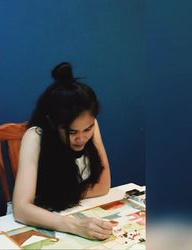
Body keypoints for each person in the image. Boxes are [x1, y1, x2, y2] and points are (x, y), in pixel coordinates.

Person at [13, 62, 113, 240]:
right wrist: (74, 225)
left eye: (87, 129)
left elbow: (104, 186)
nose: (81, 138)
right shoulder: (35, 136)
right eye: (72, 132)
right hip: (42, 222)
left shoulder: (91, 125)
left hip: (70, 209)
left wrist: (63, 196)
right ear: (53, 123)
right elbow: (21, 209)